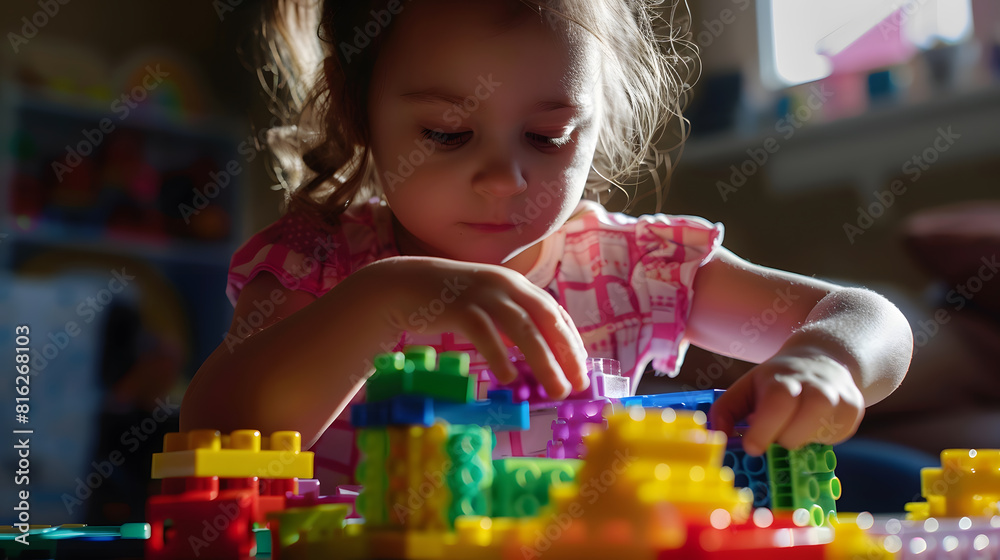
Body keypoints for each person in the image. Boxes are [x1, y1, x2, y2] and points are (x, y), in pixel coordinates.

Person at [180, 0, 913, 487]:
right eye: (446, 134)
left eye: (548, 137)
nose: (504, 178)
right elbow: (214, 429)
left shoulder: (631, 270)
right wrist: (380, 304)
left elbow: (870, 318)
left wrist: (827, 359)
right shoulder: (324, 266)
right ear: (359, 111)